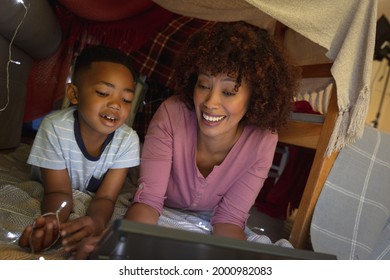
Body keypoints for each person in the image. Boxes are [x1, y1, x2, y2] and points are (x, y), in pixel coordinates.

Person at [75, 21, 300, 259]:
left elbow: (229, 220)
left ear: (256, 95)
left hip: (211, 218)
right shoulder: (171, 114)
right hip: (155, 205)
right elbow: (149, 201)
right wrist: (125, 245)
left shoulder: (263, 140)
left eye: (229, 91)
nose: (210, 102)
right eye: (203, 85)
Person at [18, 45, 140, 254]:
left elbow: (106, 197)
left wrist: (95, 221)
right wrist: (52, 221)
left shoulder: (128, 140)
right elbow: (57, 191)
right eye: (103, 93)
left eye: (126, 99)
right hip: (55, 185)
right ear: (74, 94)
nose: (116, 105)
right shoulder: (55, 127)